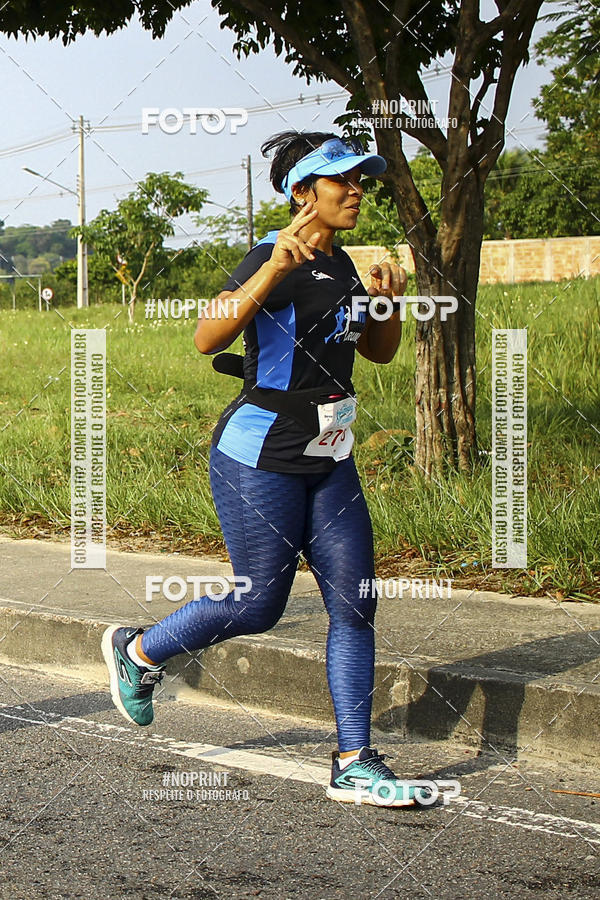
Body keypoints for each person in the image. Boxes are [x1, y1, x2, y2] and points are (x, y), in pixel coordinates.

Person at [102, 131, 424, 808]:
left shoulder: (344, 264)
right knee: (258, 605)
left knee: (356, 602)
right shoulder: (270, 255)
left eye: (361, 180)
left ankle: (354, 761)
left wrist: (387, 305)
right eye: (343, 180)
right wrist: (272, 271)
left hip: (330, 455)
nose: (357, 190)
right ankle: (139, 652)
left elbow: (378, 352)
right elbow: (206, 337)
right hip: (261, 455)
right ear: (302, 191)